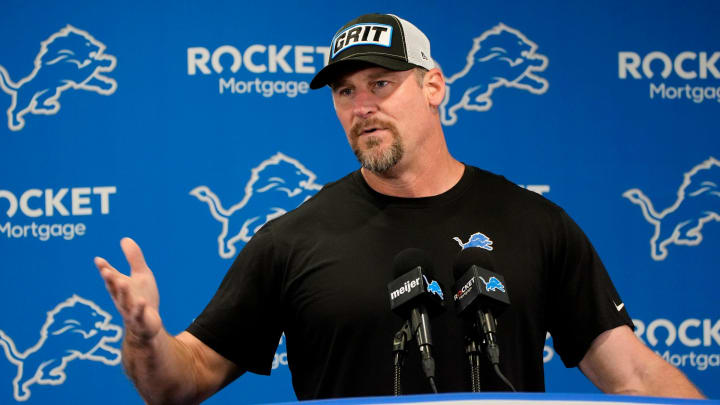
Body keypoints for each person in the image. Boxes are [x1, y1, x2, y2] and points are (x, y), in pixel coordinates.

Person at [94, 13, 705, 404]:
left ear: (434, 86)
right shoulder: (293, 239)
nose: (362, 106)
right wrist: (146, 339)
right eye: (345, 92)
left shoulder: (536, 223)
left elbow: (633, 376)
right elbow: (182, 381)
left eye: (381, 84)